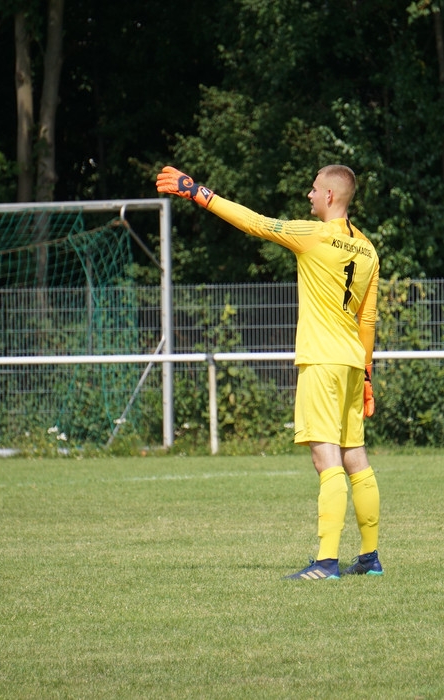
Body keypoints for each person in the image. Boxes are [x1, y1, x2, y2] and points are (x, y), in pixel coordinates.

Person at [156, 164, 382, 580]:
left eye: (313, 189)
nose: (308, 195)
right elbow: (367, 318)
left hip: (321, 361)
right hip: (352, 362)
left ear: (330, 196)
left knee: (326, 458)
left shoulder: (312, 235)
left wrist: (198, 192)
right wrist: (367, 374)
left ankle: (326, 562)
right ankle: (370, 558)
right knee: (356, 457)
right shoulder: (368, 250)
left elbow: (255, 223)